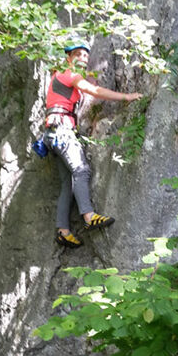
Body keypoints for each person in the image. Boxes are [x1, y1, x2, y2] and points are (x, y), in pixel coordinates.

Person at [43, 40, 143, 248]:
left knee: (67, 184)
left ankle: (63, 231)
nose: (83, 58)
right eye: (77, 54)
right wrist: (127, 96)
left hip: (52, 134)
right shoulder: (69, 74)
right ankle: (89, 216)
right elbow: (94, 91)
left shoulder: (58, 75)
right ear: (68, 58)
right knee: (81, 170)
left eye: (85, 55)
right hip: (62, 132)